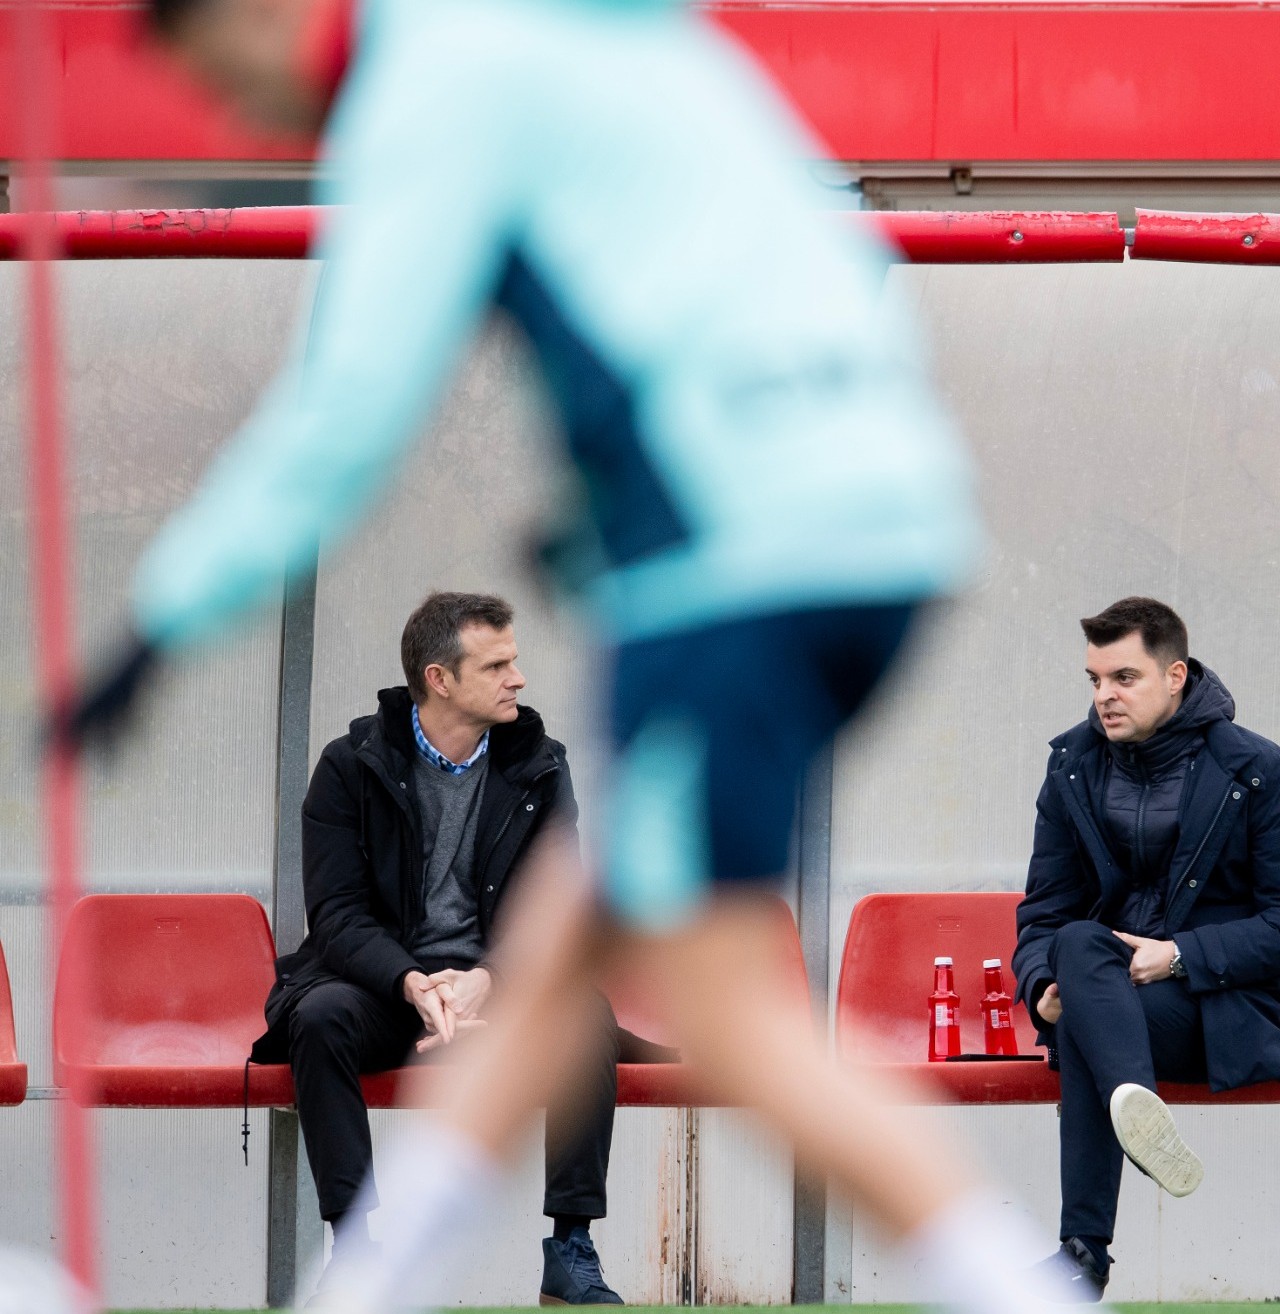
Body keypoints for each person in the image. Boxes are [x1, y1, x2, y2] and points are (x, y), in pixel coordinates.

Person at [53, 0, 1095, 1310]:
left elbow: (350, 399)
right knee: (559, 956)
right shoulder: (612, 53)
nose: (243, 113)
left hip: (734, 564)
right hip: (879, 527)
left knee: (725, 1009)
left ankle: (1021, 1290)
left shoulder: (426, 80)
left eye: (219, 71)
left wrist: (160, 620)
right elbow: (763, 275)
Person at [249, 591, 623, 1305]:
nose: (518, 678)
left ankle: (571, 1247)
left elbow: (557, 906)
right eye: (498, 665)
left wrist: (488, 977)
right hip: (383, 989)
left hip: (495, 994)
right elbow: (337, 915)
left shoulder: (542, 768)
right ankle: (357, 1251)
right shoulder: (347, 767)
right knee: (319, 1017)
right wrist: (412, 984)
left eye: (514, 662)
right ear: (439, 679)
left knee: (584, 1017)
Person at [1013, 597, 1280, 1302]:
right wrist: (1041, 986)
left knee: (1084, 1027)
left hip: (1224, 1012)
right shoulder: (1072, 767)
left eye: (1123, 677)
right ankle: (1135, 1105)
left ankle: (1083, 1254)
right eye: (1095, 679)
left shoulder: (1256, 769)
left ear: (1175, 676)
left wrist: (1180, 955)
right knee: (1072, 949)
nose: (1104, 696)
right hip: (1117, 999)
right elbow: (1044, 912)